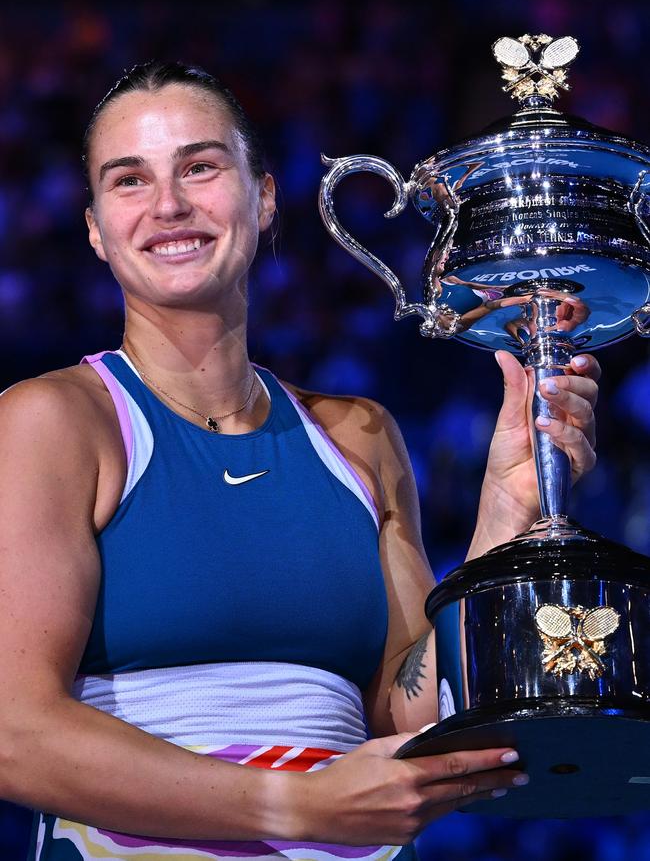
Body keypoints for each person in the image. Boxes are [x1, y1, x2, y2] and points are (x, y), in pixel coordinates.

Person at [0, 62, 599, 861]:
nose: (169, 204)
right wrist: (293, 803)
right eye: (128, 180)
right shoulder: (55, 423)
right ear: (95, 228)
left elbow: (411, 710)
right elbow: (15, 733)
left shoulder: (359, 436)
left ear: (265, 196)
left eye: (200, 166)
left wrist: (504, 509)